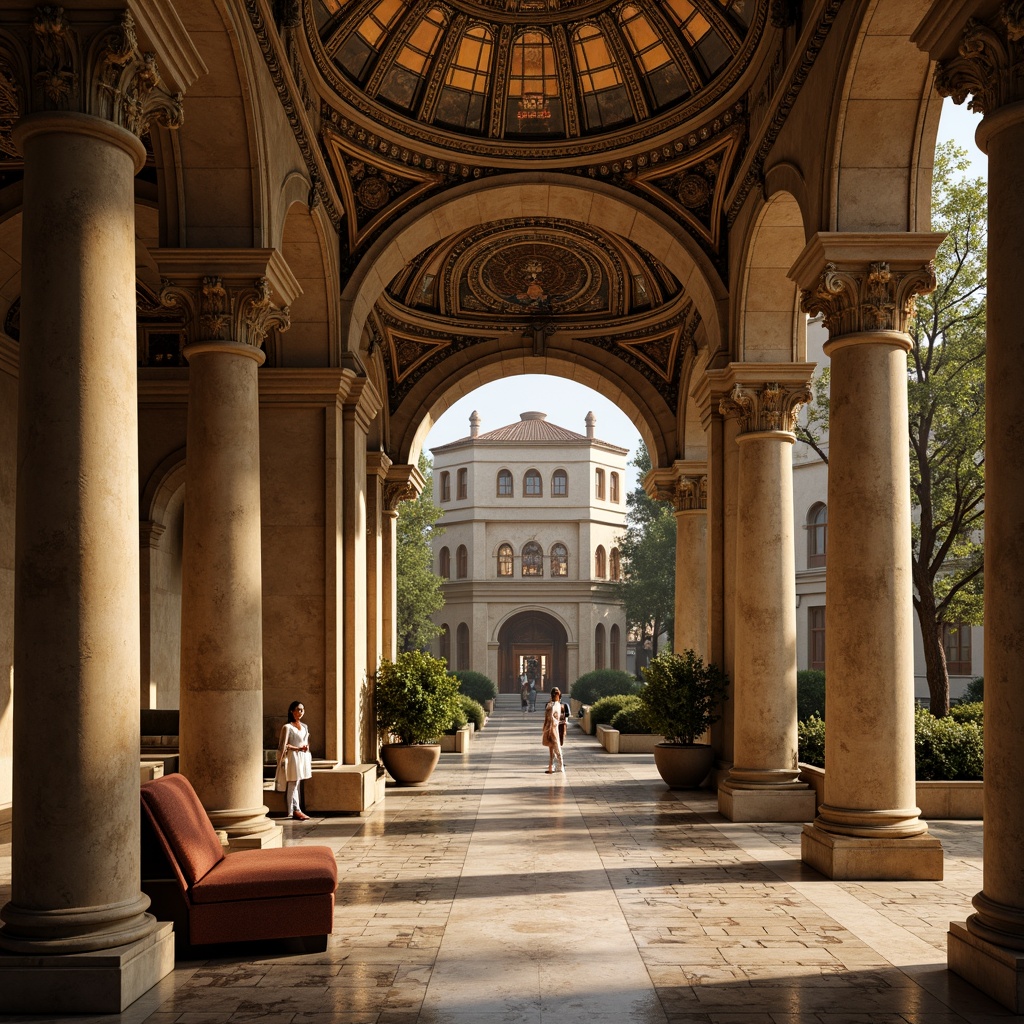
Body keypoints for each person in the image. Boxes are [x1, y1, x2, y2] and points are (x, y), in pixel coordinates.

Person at [275, 700, 313, 820]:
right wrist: (297, 748)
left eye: (302, 709)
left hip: (302, 757)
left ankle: (297, 808)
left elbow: (306, 741)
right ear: (292, 711)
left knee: (297, 783)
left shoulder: (305, 727)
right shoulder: (287, 727)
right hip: (293, 757)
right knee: (292, 783)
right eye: (298, 709)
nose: (300, 712)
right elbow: (283, 745)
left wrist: (306, 748)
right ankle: (294, 810)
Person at [542, 687, 565, 773]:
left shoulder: (554, 705)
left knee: (555, 746)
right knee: (553, 746)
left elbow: (551, 717)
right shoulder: (553, 705)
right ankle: (554, 765)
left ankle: (557, 765)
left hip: (552, 727)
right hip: (552, 727)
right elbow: (549, 717)